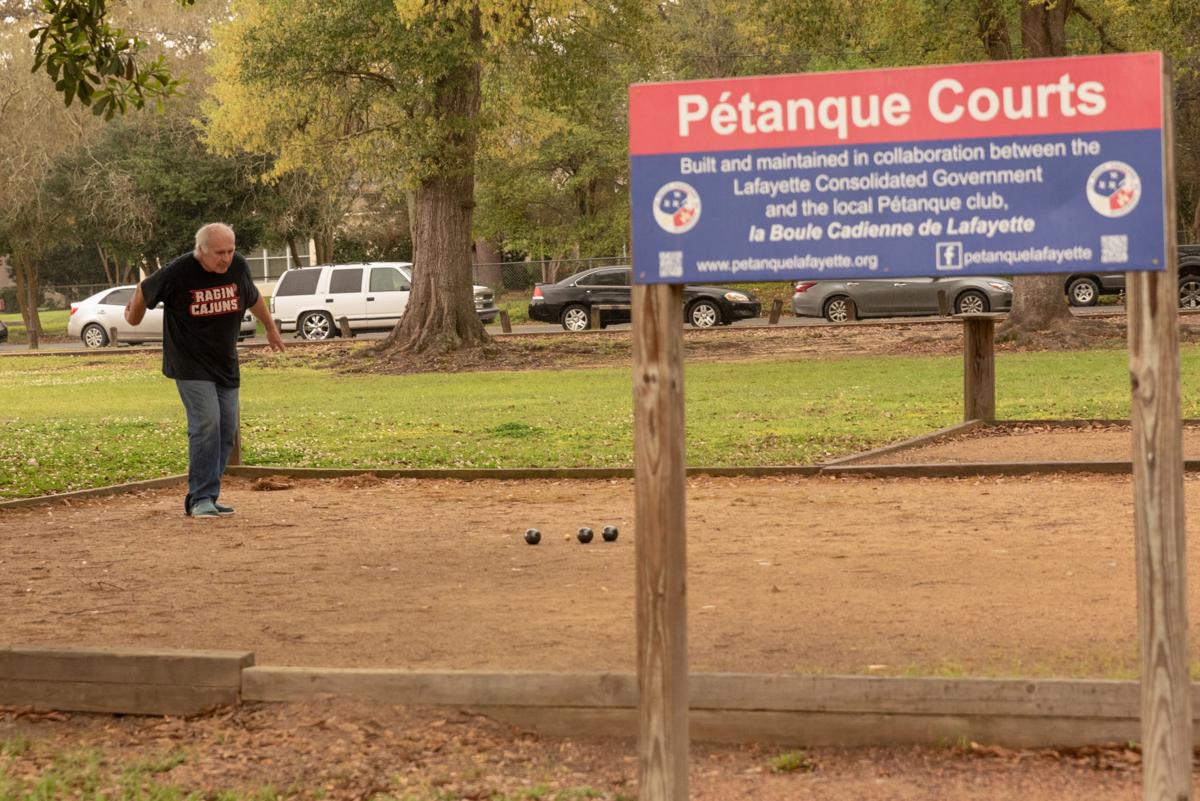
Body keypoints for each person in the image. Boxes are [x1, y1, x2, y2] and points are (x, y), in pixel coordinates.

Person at [125, 223, 285, 518]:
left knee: (226, 431)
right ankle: (199, 498)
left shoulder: (237, 266)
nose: (225, 258)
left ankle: (208, 494)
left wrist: (271, 328)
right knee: (207, 424)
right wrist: (132, 316)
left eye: (230, 251)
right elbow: (143, 291)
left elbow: (252, 297)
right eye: (219, 253)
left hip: (225, 362)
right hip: (189, 363)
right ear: (201, 250)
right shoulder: (178, 272)